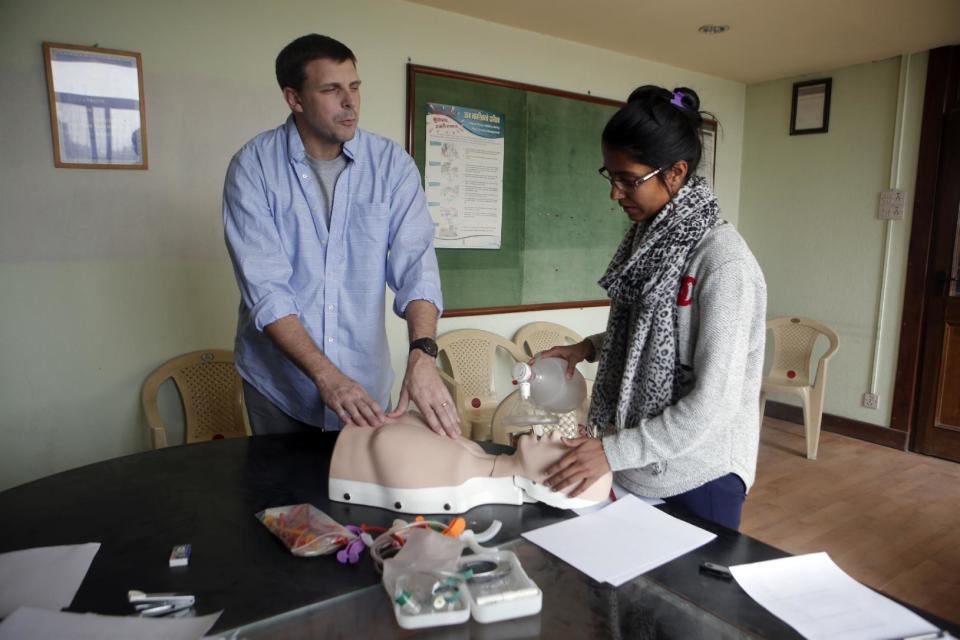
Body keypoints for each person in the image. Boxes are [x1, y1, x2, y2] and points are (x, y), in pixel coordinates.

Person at [539, 86, 767, 530]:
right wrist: (585, 348)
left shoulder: (723, 263)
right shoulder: (654, 238)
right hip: (642, 463)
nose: (615, 194)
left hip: (700, 474)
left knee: (686, 598)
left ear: (677, 173)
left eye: (628, 180)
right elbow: (651, 327)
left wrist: (609, 451)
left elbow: (713, 403)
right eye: (611, 176)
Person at [223, 34, 459, 438]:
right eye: (332, 89)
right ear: (294, 99)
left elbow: (417, 268)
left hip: (366, 386)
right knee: (284, 500)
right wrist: (326, 376)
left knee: (362, 496)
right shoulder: (253, 168)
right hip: (281, 391)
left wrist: (423, 354)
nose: (350, 102)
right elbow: (267, 292)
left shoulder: (392, 166)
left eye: (354, 87)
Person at [329, 412, 612, 514]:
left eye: (565, 450)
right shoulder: (473, 455)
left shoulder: (462, 474)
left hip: (334, 456)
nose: (556, 433)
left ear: (552, 483)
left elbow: (385, 442)